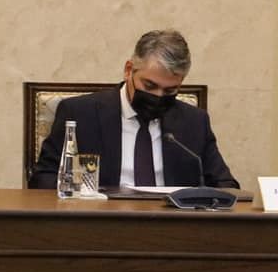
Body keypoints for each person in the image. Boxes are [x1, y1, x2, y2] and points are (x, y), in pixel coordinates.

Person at [29, 29, 236, 191]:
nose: (158, 96)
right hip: (100, 223)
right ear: (129, 70)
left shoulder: (194, 122)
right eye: (149, 86)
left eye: (170, 90)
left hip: (173, 227)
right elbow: (42, 179)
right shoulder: (81, 114)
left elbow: (226, 185)